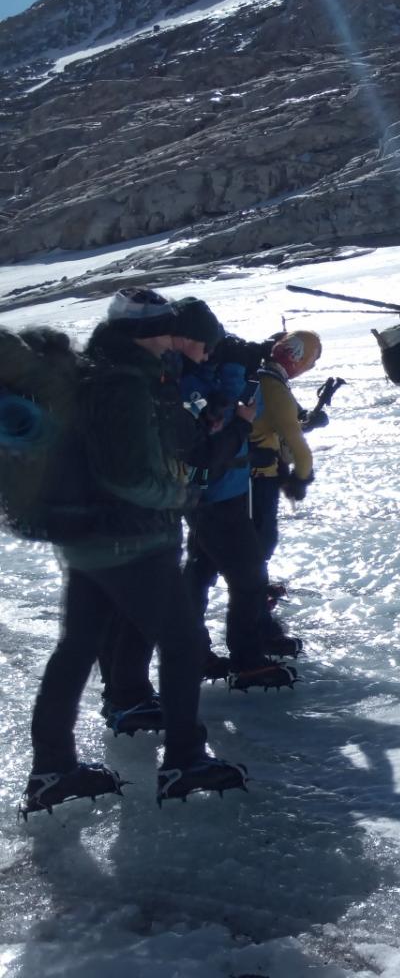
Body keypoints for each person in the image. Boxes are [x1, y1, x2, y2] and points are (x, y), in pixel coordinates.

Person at [23, 288, 248, 816]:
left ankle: (51, 769)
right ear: (150, 333)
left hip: (86, 538)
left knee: (76, 648)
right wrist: (179, 495)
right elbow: (126, 475)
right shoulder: (126, 383)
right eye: (169, 329)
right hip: (129, 539)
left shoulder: (98, 370)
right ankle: (184, 760)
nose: (176, 338)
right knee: (184, 640)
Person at [176, 300, 300, 690]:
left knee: (199, 572)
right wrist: (233, 369)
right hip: (214, 495)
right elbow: (219, 418)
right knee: (248, 578)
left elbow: (230, 404)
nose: (211, 352)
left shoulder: (194, 370)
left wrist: (240, 364)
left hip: (216, 493)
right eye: (207, 346)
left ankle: (192, 652)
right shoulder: (185, 380)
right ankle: (247, 660)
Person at [247, 331, 320, 566]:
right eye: (310, 362)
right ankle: (255, 587)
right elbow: (300, 450)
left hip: (242, 473)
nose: (310, 367)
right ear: (298, 359)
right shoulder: (275, 388)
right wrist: (300, 478)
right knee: (261, 538)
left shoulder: (258, 375)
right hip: (259, 475)